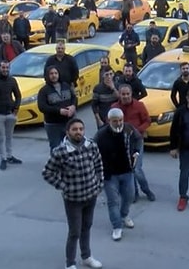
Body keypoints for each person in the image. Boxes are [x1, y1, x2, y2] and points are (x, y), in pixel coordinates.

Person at [42, 118, 104, 269]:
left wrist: (99, 184)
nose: (78, 132)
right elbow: (47, 173)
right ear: (68, 132)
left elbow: (98, 165)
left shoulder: (91, 146)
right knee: (74, 231)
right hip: (73, 199)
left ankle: (86, 257)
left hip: (91, 195)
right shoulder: (60, 151)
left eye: (81, 129)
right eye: (74, 129)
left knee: (87, 227)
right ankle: (70, 263)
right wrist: (64, 186)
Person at [94, 108, 141, 241]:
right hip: (110, 174)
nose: (119, 123)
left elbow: (138, 139)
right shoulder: (101, 134)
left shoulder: (128, 129)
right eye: (115, 121)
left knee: (129, 196)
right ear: (109, 121)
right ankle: (117, 226)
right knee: (113, 201)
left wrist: (136, 152)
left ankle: (124, 215)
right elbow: (93, 150)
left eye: (120, 120)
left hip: (127, 171)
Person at [111, 84, 155, 202]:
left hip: (136, 141)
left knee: (136, 170)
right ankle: (134, 193)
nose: (125, 96)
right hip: (122, 143)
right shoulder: (114, 108)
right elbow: (109, 123)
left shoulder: (139, 105)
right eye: (123, 94)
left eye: (127, 94)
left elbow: (147, 121)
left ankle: (146, 190)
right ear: (119, 95)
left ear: (131, 94)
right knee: (129, 170)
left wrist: (137, 130)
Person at [0, 60, 22, 170]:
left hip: (10, 114)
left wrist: (16, 108)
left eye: (7, 68)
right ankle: (3, 158)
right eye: (3, 67)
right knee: (0, 138)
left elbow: (18, 96)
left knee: (9, 137)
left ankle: (9, 156)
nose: (5, 70)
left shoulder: (12, 80)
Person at [38, 66, 77, 151]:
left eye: (56, 73)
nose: (54, 75)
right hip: (53, 124)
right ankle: (56, 164)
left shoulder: (66, 86)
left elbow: (74, 97)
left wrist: (73, 106)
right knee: (56, 148)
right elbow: (42, 107)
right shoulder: (44, 91)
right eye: (51, 74)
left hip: (69, 122)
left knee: (71, 146)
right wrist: (59, 111)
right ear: (47, 75)